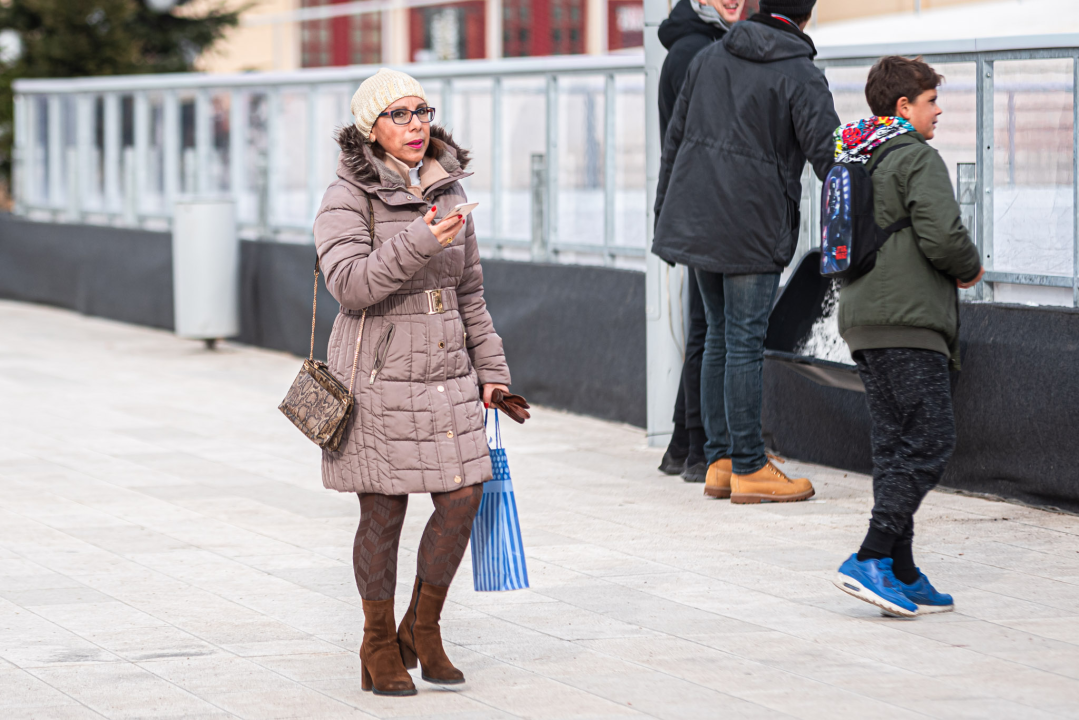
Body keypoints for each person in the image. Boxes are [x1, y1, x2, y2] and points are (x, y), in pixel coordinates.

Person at [314, 68, 520, 696]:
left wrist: (492, 374)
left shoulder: (449, 189)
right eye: (398, 115)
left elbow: (471, 294)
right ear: (369, 128)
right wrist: (419, 239)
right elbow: (350, 285)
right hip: (377, 377)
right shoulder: (346, 195)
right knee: (384, 511)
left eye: (421, 112)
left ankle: (422, 628)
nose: (415, 126)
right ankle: (377, 643)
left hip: (447, 376)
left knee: (463, 498)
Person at [652, 0, 839, 503]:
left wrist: (663, 219)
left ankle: (720, 460)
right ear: (806, 15)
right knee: (744, 342)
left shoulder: (710, 57)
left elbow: (675, 141)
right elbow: (830, 158)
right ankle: (751, 465)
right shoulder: (800, 72)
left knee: (716, 336)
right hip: (751, 225)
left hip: (696, 220)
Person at [833, 56, 984, 617]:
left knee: (895, 445)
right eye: (930, 101)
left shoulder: (855, 153)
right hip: (908, 320)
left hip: (862, 319)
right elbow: (943, 235)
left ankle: (899, 567)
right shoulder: (915, 157)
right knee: (931, 439)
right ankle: (869, 557)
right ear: (904, 107)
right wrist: (970, 267)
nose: (938, 110)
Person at [656, 0, 746, 483]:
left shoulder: (700, 45)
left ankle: (684, 444)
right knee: (709, 329)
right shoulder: (696, 52)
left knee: (704, 327)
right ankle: (701, 450)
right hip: (706, 206)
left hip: (695, 206)